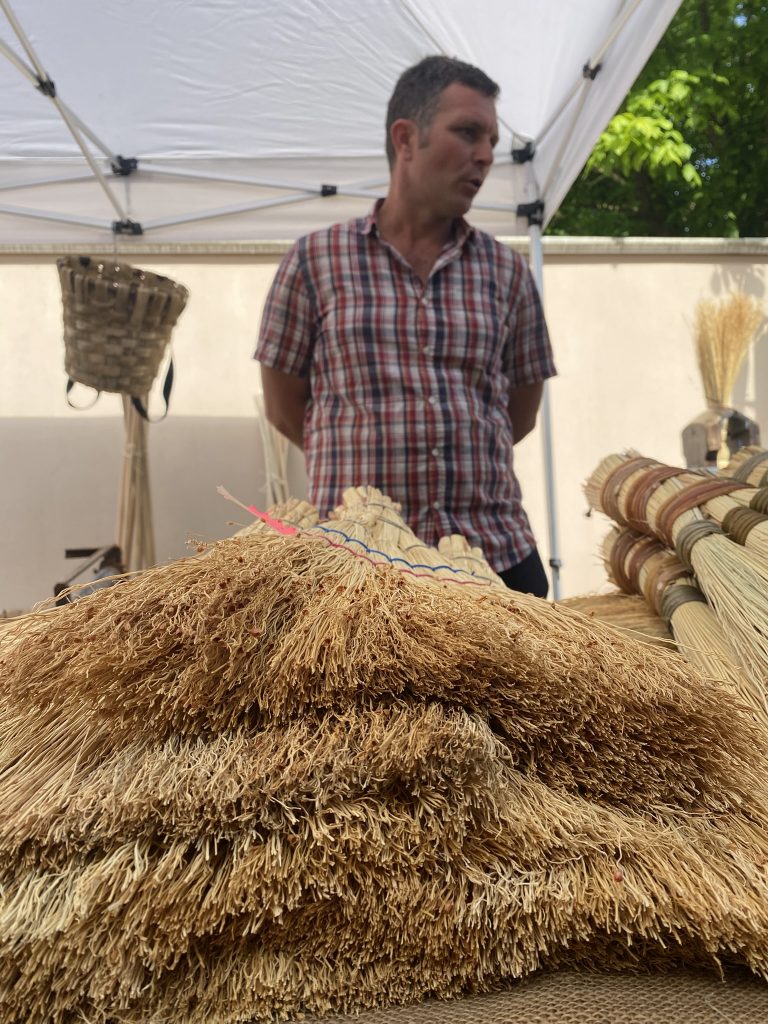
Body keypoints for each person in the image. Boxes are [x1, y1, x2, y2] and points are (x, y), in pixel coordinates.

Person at [255, 55, 556, 596]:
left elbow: (521, 411)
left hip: (493, 557)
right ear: (406, 138)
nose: (486, 156)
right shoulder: (314, 262)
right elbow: (283, 407)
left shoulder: (507, 272)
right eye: (468, 132)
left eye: (491, 140)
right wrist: (359, 473)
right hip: (357, 568)